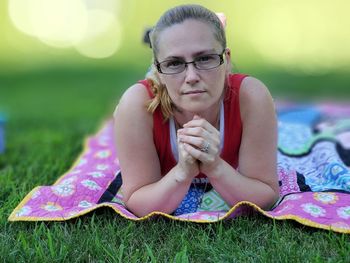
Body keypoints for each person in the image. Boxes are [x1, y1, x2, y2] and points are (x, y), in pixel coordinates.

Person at [113, 4, 279, 217]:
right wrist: (183, 172)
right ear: (158, 71)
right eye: (174, 63)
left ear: (226, 60)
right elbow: (137, 202)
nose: (191, 77)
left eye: (204, 58)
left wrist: (215, 167)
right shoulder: (137, 103)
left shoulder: (251, 96)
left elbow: (266, 196)